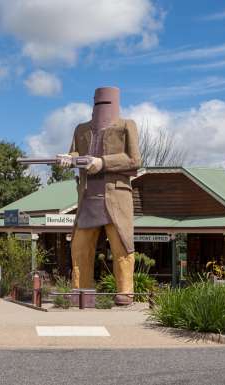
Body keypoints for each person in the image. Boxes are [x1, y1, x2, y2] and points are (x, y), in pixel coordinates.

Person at [57, 87, 141, 306]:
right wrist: (68, 158)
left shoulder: (126, 126)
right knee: (80, 247)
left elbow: (134, 160)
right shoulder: (81, 129)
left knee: (122, 246)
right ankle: (81, 292)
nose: (102, 107)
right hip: (87, 198)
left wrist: (103, 163)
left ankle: (125, 293)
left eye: (106, 103)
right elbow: (76, 153)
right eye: (98, 103)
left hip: (116, 199)